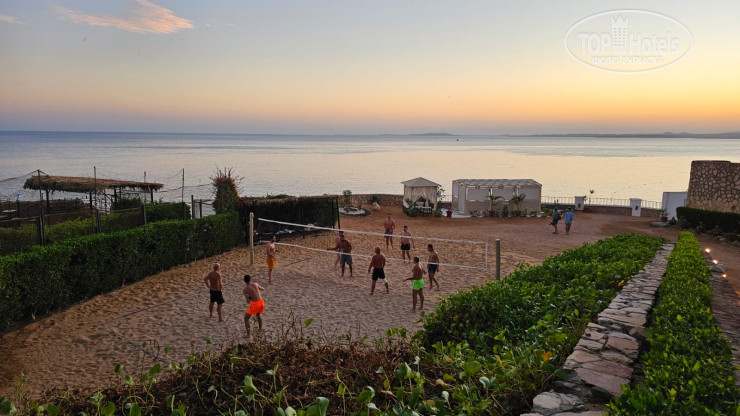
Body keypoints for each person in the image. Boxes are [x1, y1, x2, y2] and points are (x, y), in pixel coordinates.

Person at [242, 274, 265, 339]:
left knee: (246, 318)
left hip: (255, 304)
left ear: (244, 281)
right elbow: (262, 289)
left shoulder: (245, 290)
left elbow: (248, 301)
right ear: (250, 279)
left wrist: (250, 297)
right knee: (258, 316)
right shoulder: (255, 284)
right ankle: (260, 330)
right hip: (261, 302)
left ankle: (248, 335)